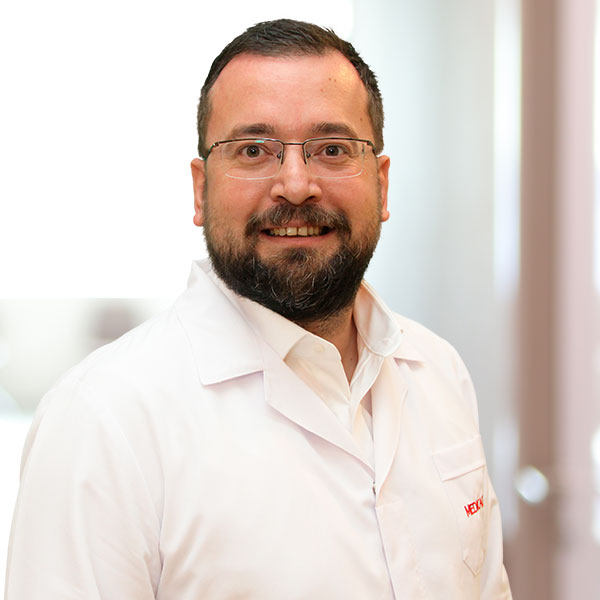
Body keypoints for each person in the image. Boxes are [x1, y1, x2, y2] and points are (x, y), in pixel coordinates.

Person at [5, 19, 512, 599]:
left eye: (332, 149)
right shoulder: (102, 420)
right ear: (200, 190)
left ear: (382, 184)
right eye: (253, 151)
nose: (295, 185)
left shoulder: (439, 371)